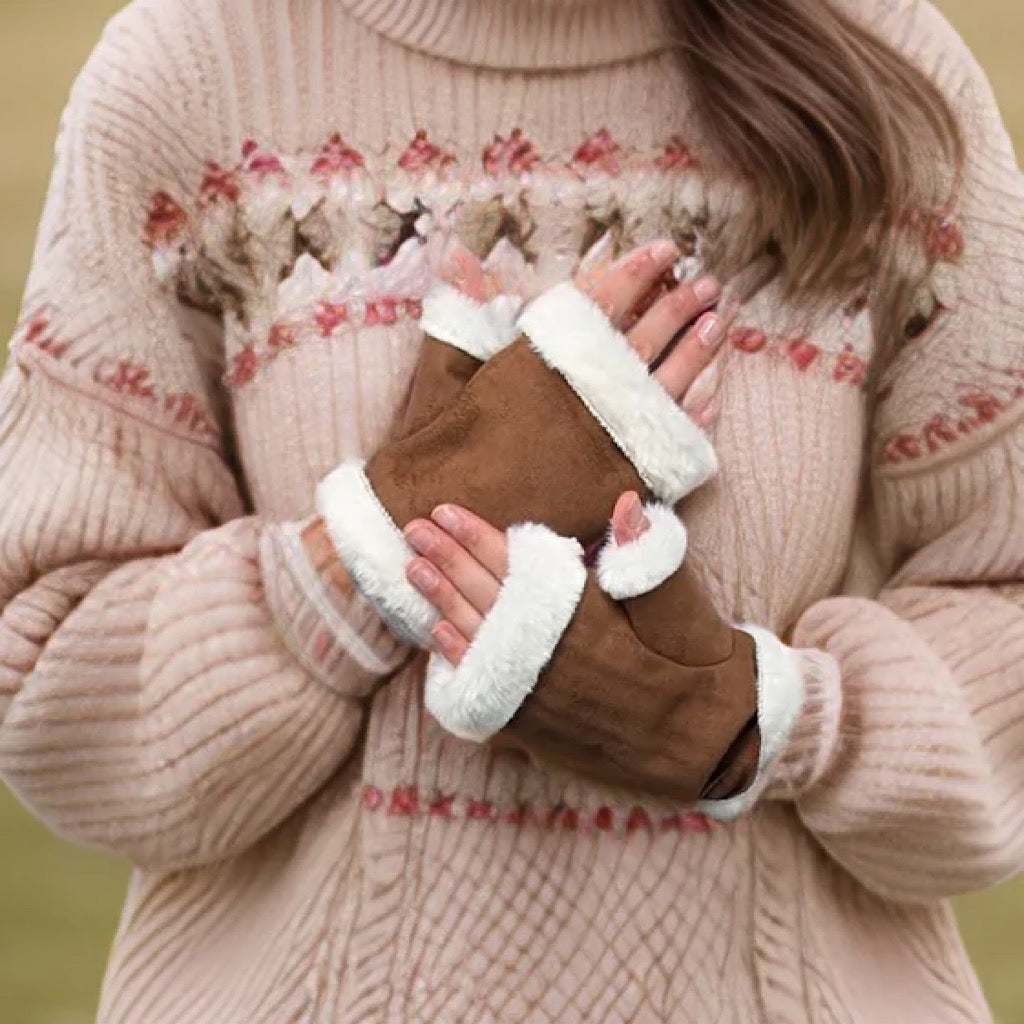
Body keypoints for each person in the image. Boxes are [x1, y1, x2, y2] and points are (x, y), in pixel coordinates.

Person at [0, 0, 1021, 1019]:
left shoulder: (881, 65)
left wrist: (759, 721)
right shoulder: (193, 69)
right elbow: (46, 661)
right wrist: (384, 541)